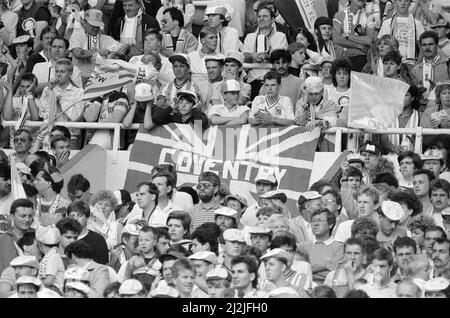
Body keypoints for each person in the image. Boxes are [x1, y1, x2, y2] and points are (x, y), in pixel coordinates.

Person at [38, 58, 85, 149]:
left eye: (62, 72)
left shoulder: (79, 92)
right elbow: (42, 113)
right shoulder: (48, 90)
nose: (59, 74)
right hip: (49, 136)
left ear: (70, 74)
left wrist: (61, 100)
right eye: (57, 71)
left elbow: (75, 116)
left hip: (70, 137)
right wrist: (50, 93)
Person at [243, 5, 288, 99]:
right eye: (259, 16)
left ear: (272, 20)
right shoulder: (249, 36)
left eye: (265, 16)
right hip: (253, 81)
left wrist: (267, 56)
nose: (261, 19)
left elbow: (283, 59)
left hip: (273, 81)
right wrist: (253, 56)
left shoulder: (281, 36)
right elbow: (244, 57)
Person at [69, 9, 120, 85]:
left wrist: (126, 47)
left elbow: (121, 49)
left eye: (98, 26)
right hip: (80, 77)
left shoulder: (105, 38)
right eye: (93, 26)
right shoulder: (77, 35)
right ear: (85, 23)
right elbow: (77, 53)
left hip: (100, 78)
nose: (96, 29)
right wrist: (97, 52)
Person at [298, 208, 344, 284]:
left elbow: (335, 274)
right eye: (313, 220)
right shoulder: (302, 247)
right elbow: (299, 271)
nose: (316, 224)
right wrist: (325, 265)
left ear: (330, 224)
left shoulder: (339, 247)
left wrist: (310, 270)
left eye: (320, 220)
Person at [332, 0, 375, 72]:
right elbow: (336, 39)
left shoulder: (369, 16)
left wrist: (347, 36)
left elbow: (369, 40)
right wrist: (359, 46)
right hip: (342, 58)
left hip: (360, 59)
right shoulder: (339, 15)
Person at [378, 0, 425, 64]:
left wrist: (416, 66)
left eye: (406, 1)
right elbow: (379, 46)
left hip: (410, 64)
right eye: (399, 0)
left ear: (410, 3)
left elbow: (422, 49)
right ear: (394, 2)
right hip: (390, 64)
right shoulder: (386, 23)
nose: (403, 3)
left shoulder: (417, 24)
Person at [0, 199, 35, 274]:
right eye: (23, 216)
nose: (27, 219)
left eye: (30, 216)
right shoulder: (2, 239)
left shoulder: (38, 237)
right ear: (12, 216)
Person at [35, 226, 64, 293]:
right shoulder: (52, 255)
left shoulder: (53, 256)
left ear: (40, 245)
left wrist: (33, 284)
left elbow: (49, 280)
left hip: (52, 293)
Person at [327, 59, 352, 127]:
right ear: (334, 75)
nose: (342, 77)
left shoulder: (355, 93)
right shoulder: (328, 92)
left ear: (349, 76)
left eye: (345, 73)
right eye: (339, 73)